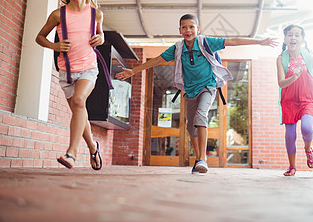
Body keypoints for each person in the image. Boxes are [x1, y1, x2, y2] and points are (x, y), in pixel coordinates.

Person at [116, 14, 277, 174]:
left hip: (208, 86)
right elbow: (157, 60)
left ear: (198, 29)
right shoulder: (178, 48)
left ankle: (202, 160)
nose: (188, 30)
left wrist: (260, 42)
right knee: (190, 128)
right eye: (184, 27)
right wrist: (133, 71)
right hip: (190, 91)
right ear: (179, 30)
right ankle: (198, 159)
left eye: (192, 27)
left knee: (201, 116)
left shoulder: (205, 42)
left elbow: (232, 41)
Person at [36, 0, 104, 170]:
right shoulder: (58, 15)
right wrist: (55, 46)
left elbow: (100, 35)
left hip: (88, 68)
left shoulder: (96, 14)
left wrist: (100, 38)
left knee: (79, 101)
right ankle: (93, 147)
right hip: (66, 71)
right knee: (78, 111)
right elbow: (39, 37)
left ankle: (71, 153)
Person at [276, 24, 313, 176]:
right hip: (289, 101)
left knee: (307, 128)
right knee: (290, 135)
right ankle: (292, 166)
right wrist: (294, 77)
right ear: (285, 39)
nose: (293, 37)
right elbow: (281, 83)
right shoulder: (280, 59)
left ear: (302, 39)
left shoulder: (308, 56)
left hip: (308, 99)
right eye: (290, 34)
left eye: (297, 35)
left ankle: (308, 148)